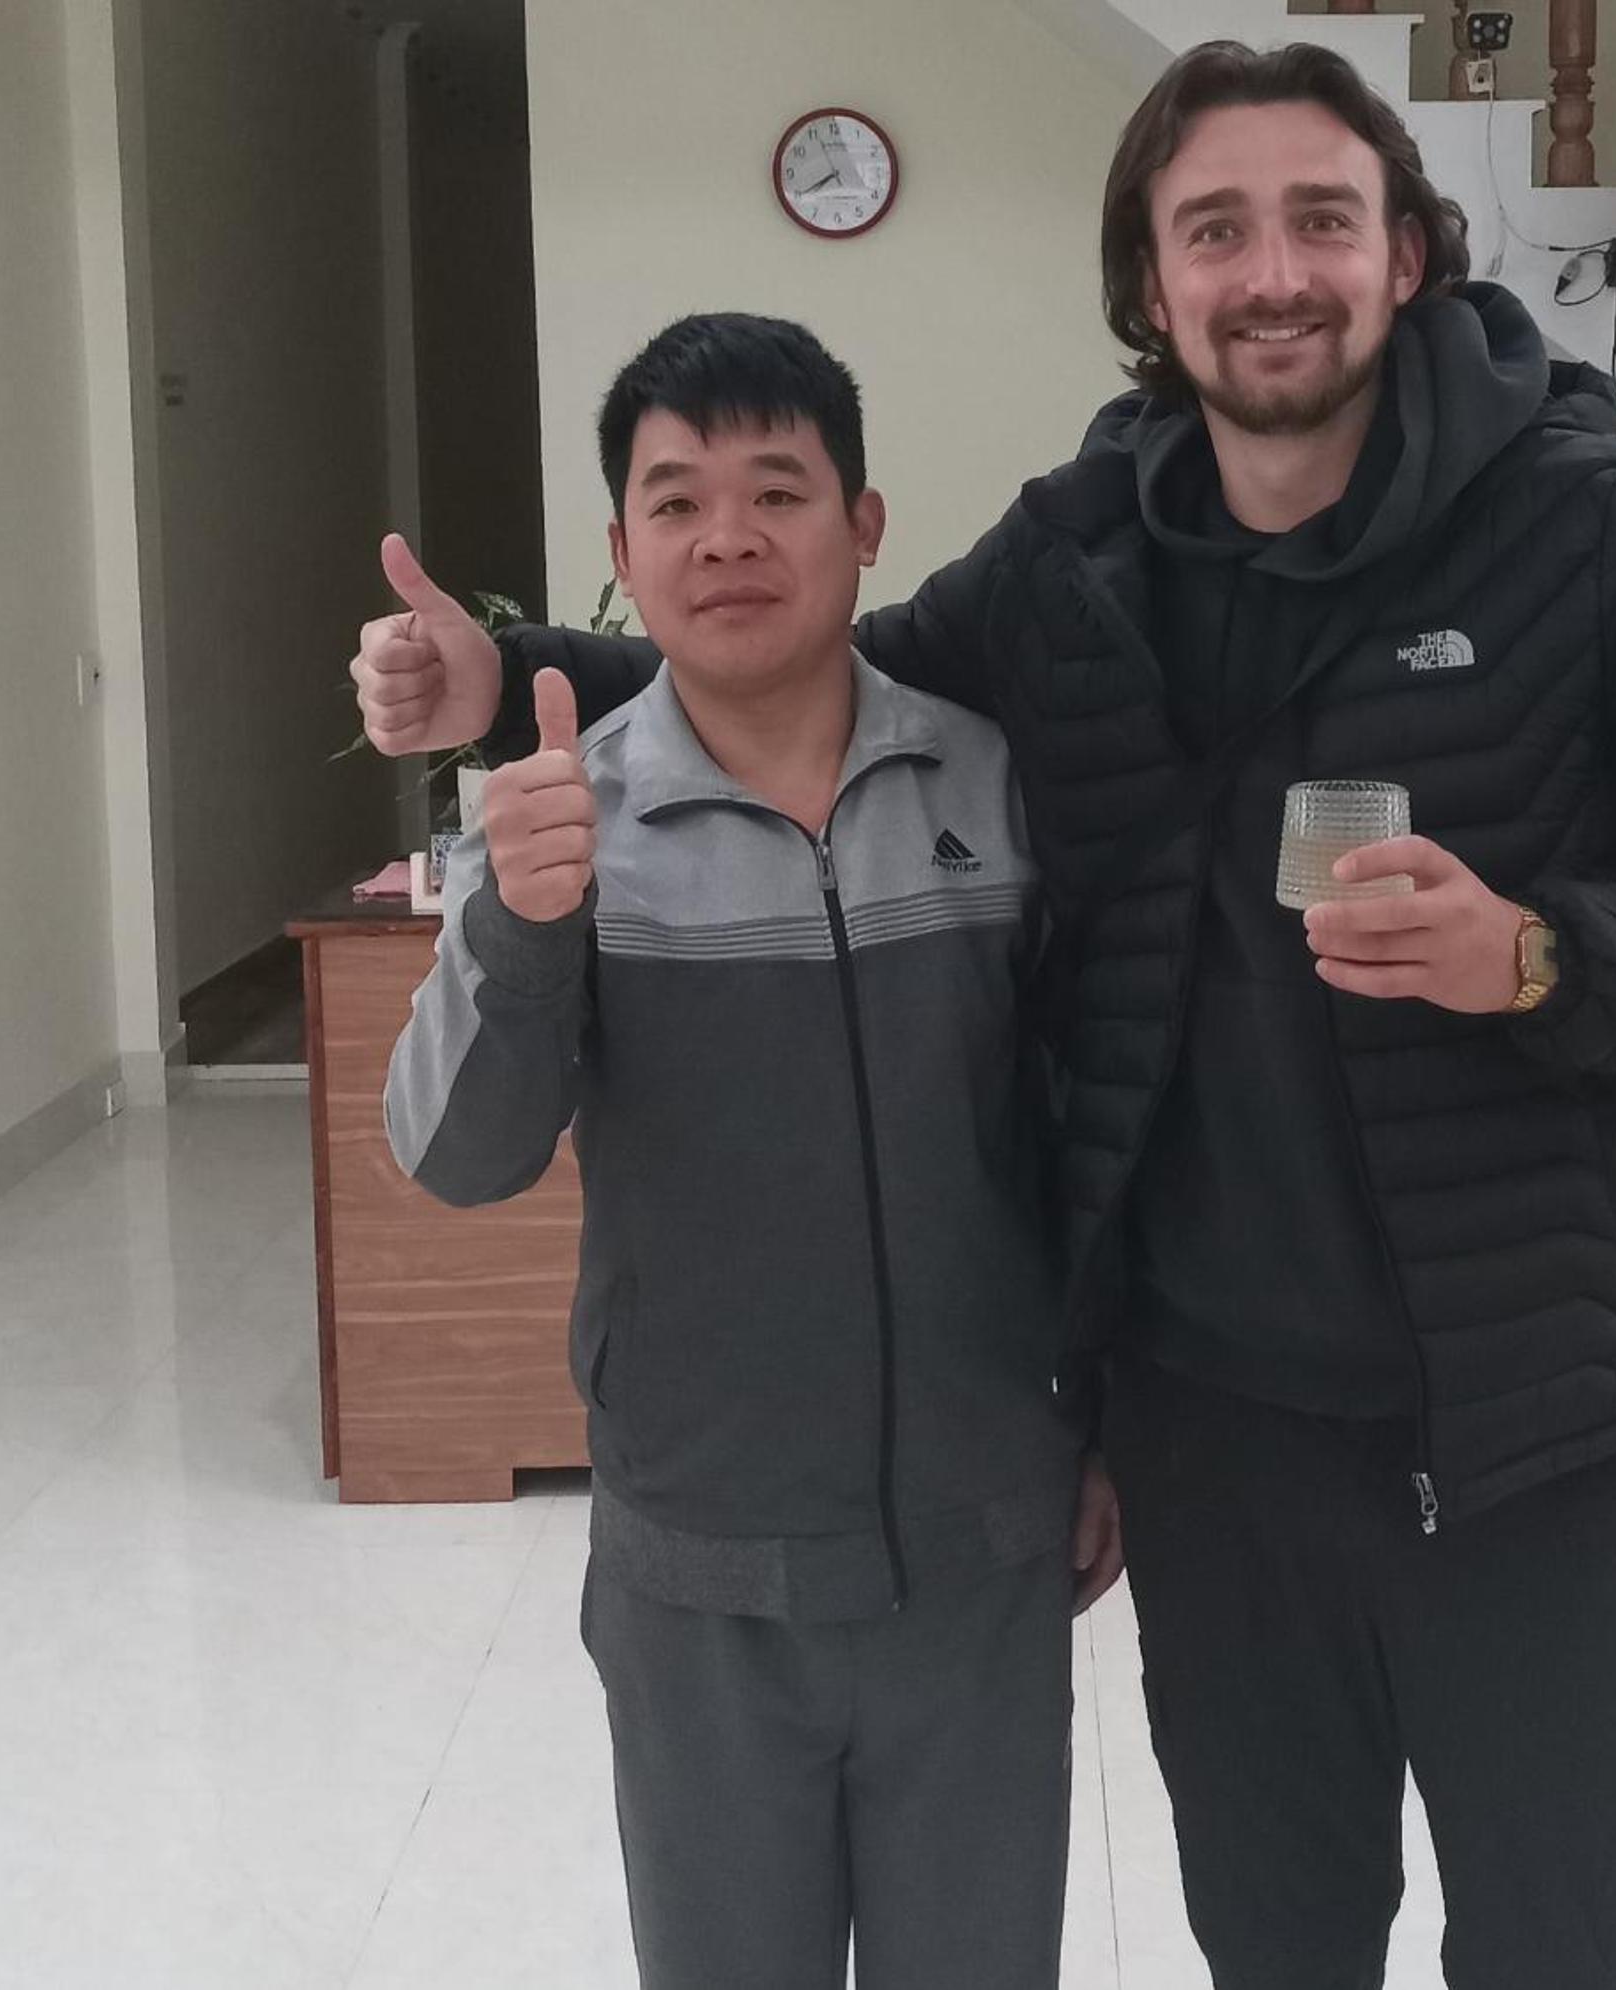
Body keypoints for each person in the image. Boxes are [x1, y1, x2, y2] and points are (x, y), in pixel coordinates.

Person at [356, 42, 1616, 1990]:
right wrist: (508, 681)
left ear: (1406, 253)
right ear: (1150, 288)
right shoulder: (1081, 552)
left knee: (1564, 1942)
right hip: (1214, 1430)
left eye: (1321, 219)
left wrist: (1540, 954)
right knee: (1275, 1939)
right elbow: (820, 665)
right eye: (1214, 230)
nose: (1274, 273)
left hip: (1529, 1419)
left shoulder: (1603, 529)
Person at [382, 312, 1115, 1990]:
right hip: (700, 1573)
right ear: (624, 552)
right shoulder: (559, 820)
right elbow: (456, 1156)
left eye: (777, 491)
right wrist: (523, 922)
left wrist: (1105, 1418)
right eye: (676, 502)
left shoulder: (993, 787)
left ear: (864, 526)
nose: (726, 538)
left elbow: (1088, 1132)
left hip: (983, 1556)